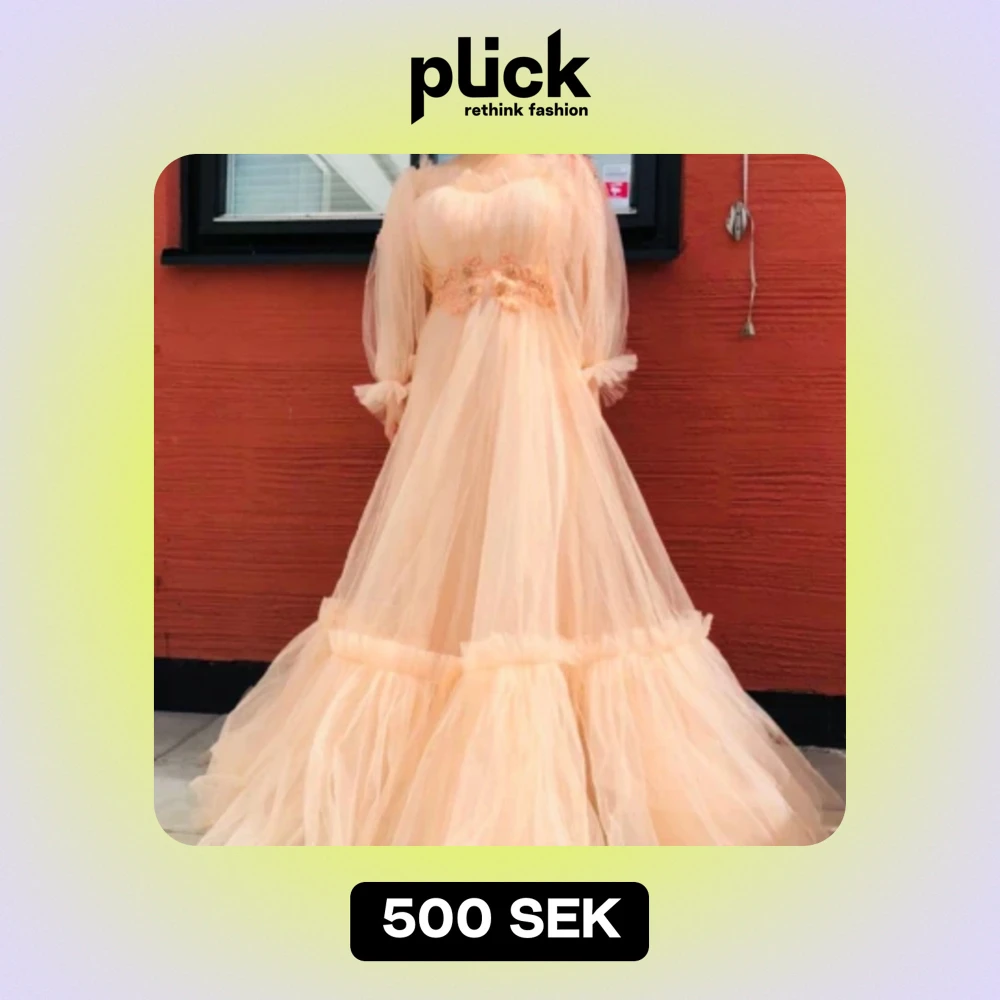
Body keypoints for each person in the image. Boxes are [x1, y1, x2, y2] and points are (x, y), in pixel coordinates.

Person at [192, 154, 842, 846]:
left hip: (538, 389)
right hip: (446, 398)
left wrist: (585, 371)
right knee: (441, 558)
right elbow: (398, 303)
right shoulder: (418, 189)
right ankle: (427, 774)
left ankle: (560, 773)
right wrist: (398, 381)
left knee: (538, 551)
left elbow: (592, 292)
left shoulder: (567, 177)